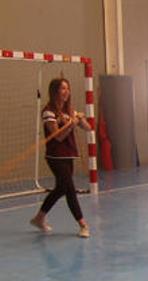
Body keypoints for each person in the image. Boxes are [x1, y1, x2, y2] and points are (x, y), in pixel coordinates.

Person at [30, 78, 92, 238]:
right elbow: (57, 137)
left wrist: (80, 119)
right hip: (55, 156)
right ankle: (83, 224)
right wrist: (71, 123)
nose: (66, 92)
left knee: (61, 188)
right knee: (69, 188)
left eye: (68, 88)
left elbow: (88, 128)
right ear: (55, 91)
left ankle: (39, 218)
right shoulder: (48, 112)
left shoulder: (69, 110)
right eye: (63, 88)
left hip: (68, 155)